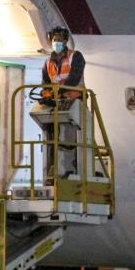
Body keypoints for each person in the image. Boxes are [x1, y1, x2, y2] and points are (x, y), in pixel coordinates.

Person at [40, 26, 86, 180]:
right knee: (53, 138)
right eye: (54, 40)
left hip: (75, 103)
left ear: (66, 41)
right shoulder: (47, 63)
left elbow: (73, 79)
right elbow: (45, 83)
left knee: (72, 140)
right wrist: (45, 95)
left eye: (60, 40)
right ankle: (56, 172)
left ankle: (73, 171)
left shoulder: (75, 56)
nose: (57, 43)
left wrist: (58, 92)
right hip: (58, 106)